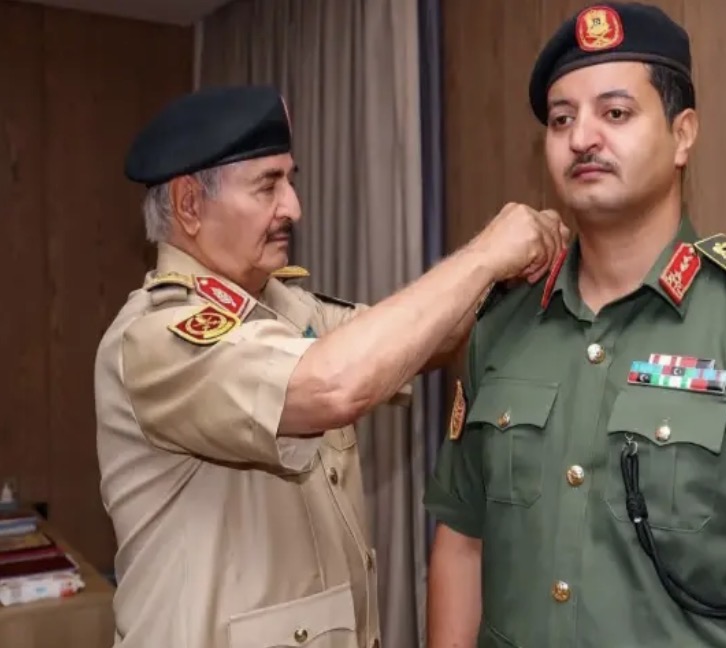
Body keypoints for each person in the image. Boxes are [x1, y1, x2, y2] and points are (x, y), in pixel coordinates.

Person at [424, 3, 726, 646]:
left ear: (683, 135)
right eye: (562, 119)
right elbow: (463, 546)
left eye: (615, 113)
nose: (582, 137)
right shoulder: (501, 329)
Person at [94, 84, 567, 648]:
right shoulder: (158, 338)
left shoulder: (287, 308)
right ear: (190, 205)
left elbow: (422, 341)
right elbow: (334, 385)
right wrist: (486, 254)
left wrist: (503, 279)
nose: (293, 207)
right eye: (267, 186)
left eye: (290, 181)